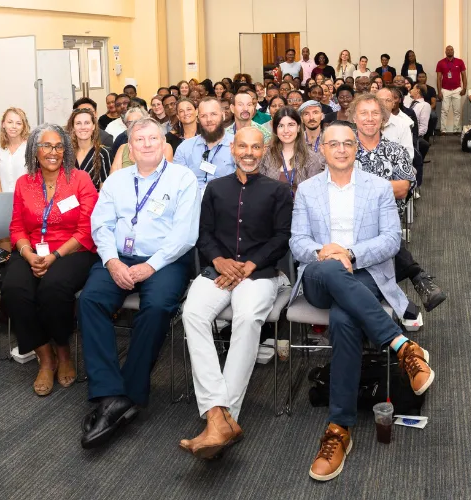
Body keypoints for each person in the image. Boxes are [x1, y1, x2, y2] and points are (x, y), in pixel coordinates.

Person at [289, 121, 434, 481]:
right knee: (332, 275)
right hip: (320, 274)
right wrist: (327, 253)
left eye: (347, 144)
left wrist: (350, 253)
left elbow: (390, 241)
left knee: (344, 320)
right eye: (333, 144)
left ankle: (339, 429)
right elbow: (296, 242)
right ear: (321, 149)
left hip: (365, 271)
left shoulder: (378, 188)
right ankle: (401, 344)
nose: (340, 150)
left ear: (357, 148)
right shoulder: (306, 190)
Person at [78, 118, 199, 449]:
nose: (147, 144)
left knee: (158, 307)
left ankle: (127, 392)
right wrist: (112, 261)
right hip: (118, 259)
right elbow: (100, 226)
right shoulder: (117, 181)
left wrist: (151, 265)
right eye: (139, 140)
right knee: (90, 301)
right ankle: (110, 392)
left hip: (165, 260)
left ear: (163, 144)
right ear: (129, 148)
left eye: (153, 138)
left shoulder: (183, 178)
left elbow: (185, 235)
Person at [178, 126, 291, 459]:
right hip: (218, 271)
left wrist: (249, 266)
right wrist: (220, 260)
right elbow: (205, 234)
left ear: (264, 150)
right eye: (243, 146)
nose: (249, 153)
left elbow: (282, 239)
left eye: (256, 147)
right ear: (232, 149)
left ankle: (226, 419)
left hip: (259, 275)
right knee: (193, 313)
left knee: (246, 317)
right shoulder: (215, 188)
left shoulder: (278, 191)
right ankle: (217, 414)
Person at [2, 124, 98, 395]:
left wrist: (55, 255)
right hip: (32, 250)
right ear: (35, 151)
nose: (53, 152)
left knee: (53, 288)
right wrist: (28, 253)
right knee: (13, 289)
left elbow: (86, 228)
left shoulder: (80, 179)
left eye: (59, 146)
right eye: (46, 145)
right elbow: (17, 227)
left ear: (66, 151)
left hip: (73, 250)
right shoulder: (24, 183)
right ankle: (45, 357)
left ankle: (64, 352)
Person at [350, 94, 446, 312]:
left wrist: (360, 188)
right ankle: (415, 278)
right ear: (354, 118)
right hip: (348, 220)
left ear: (383, 118)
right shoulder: (344, 150)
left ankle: (399, 299)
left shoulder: (396, 151)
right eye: (363, 113)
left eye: (375, 113)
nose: (369, 118)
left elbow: (402, 189)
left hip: (388, 218)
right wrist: (383, 187)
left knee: (378, 225)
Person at [261, 107, 326, 196]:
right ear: (275, 130)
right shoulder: (265, 155)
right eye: (281, 126)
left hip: (302, 209)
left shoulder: (312, 157)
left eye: (291, 125)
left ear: (298, 128)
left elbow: (315, 194)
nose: (286, 130)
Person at [175, 98, 235, 193]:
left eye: (213, 114)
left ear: (223, 115)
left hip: (226, 200)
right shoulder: (184, 148)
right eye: (203, 116)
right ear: (198, 119)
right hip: (194, 201)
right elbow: (179, 182)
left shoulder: (237, 145)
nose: (209, 120)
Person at [68, 108, 113, 189]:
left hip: (95, 200)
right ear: (73, 127)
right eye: (78, 123)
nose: (83, 127)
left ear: (93, 126)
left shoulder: (103, 154)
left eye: (87, 123)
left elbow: (106, 190)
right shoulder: (66, 154)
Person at [0, 107, 30, 195]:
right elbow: (0, 184)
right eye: (10, 122)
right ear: (3, 124)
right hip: (5, 201)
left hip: (25, 202)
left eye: (18, 123)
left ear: (23, 126)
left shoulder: (30, 148)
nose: (14, 126)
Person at [436, 45, 466, 134]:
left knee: (457, 111)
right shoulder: (440, 63)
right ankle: (443, 130)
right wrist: (439, 92)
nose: (449, 51)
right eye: (448, 50)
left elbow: (464, 76)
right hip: (445, 90)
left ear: (453, 51)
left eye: (451, 49)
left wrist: (464, 88)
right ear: (445, 52)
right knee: (444, 111)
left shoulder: (460, 62)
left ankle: (456, 130)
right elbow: (438, 78)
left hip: (457, 90)